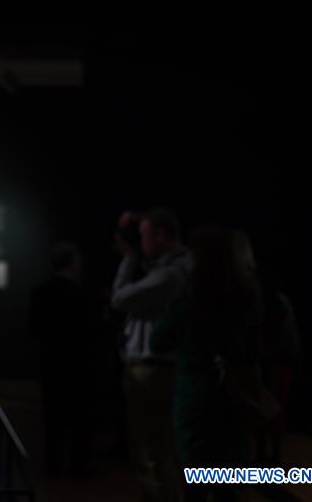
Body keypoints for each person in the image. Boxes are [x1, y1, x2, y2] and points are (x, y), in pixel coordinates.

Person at [151, 227, 264, 502]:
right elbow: (254, 348)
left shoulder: (189, 299)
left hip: (195, 399)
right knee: (226, 484)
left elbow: (158, 341)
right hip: (234, 397)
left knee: (195, 483)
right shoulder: (249, 297)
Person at [112, 208, 189, 502]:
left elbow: (119, 299)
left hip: (152, 371)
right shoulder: (175, 267)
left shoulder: (171, 273)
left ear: (159, 235)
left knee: (152, 451)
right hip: (157, 369)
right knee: (157, 451)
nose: (139, 241)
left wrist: (128, 261)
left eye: (143, 234)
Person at [29, 242, 98, 476]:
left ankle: (54, 465)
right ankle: (78, 466)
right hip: (79, 365)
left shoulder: (39, 293)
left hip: (51, 364)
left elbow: (34, 328)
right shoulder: (83, 295)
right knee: (80, 419)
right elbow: (93, 330)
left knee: (53, 418)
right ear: (72, 264)